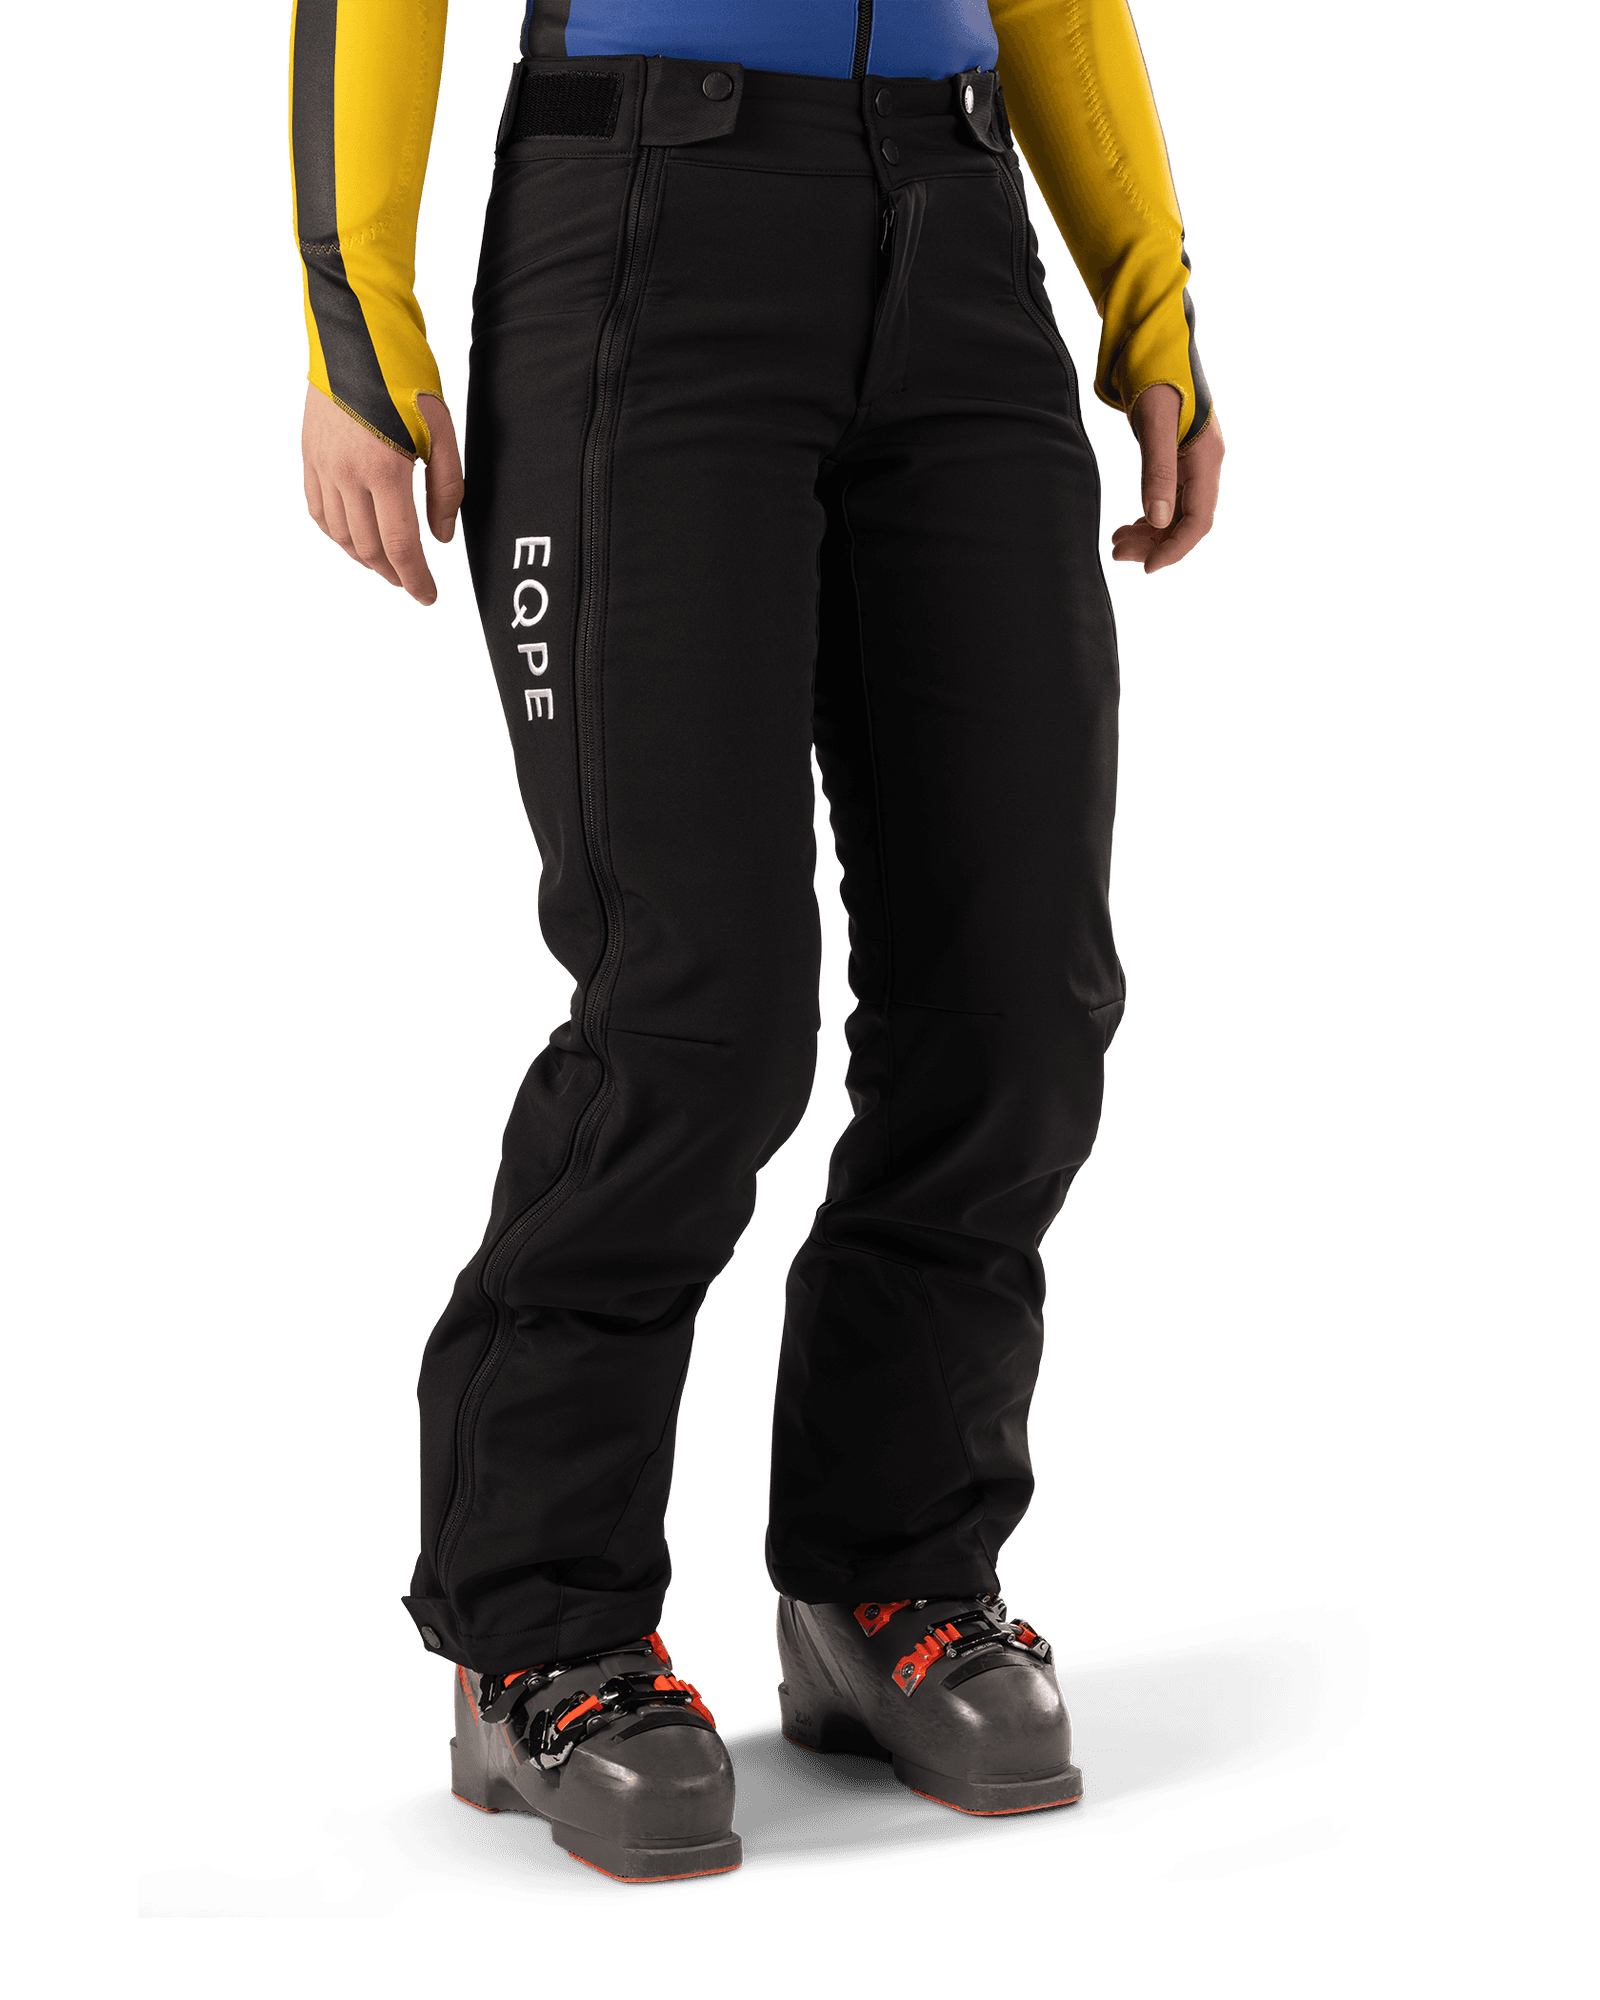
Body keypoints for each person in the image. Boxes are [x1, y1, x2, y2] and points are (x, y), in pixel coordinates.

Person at [289, 0, 1225, 1884]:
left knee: (1022, 1000)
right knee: (694, 1007)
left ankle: (894, 1579)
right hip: (644, 228)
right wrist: (352, 319)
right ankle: (535, 1631)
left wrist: (1152, 302)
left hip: (960, 231)